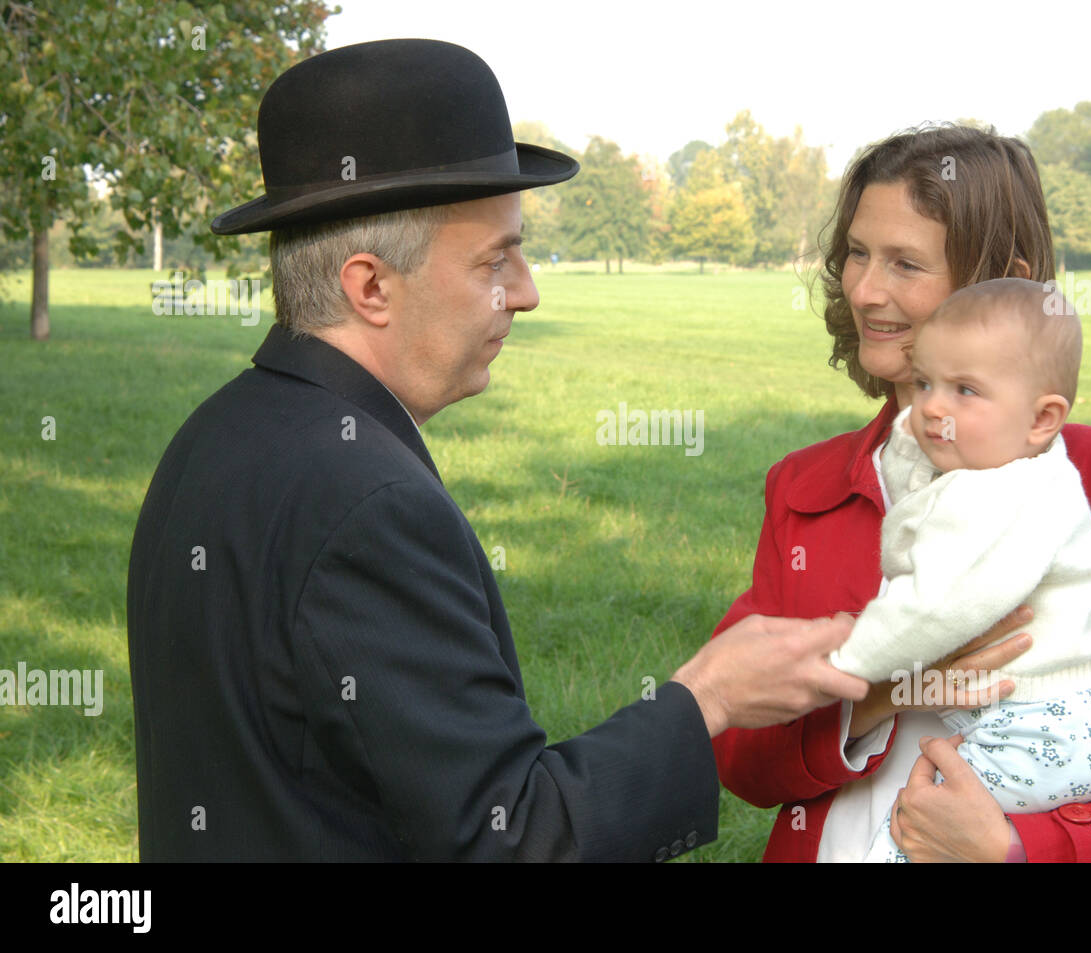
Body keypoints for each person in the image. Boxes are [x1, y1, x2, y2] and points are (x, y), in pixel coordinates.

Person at [126, 38, 870, 862]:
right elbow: (511, 841)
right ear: (369, 286)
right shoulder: (372, 507)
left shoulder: (213, 436)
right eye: (494, 258)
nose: (525, 290)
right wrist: (706, 698)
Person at [711, 125, 1091, 862]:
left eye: (906, 262)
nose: (866, 289)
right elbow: (738, 749)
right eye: (858, 253)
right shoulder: (805, 488)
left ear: (1007, 274)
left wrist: (1018, 850)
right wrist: (879, 695)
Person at [828, 278, 1091, 862]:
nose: (931, 406)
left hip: (1037, 726)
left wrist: (844, 663)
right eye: (925, 382)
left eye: (964, 390)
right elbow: (921, 489)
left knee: (915, 831)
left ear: (1042, 418)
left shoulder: (998, 499)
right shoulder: (1032, 468)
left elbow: (936, 607)